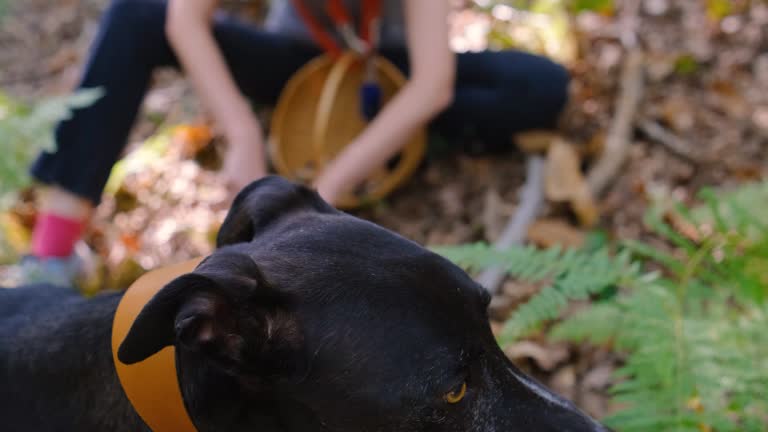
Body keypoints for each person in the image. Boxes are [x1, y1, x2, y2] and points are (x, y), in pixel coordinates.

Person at [19, 0, 570, 286]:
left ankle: (387, 135)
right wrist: (240, 130)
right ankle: (54, 250)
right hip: (293, 69)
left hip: (387, 75)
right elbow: (184, 20)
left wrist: (322, 190)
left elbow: (432, 83)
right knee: (135, 15)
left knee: (537, 86)